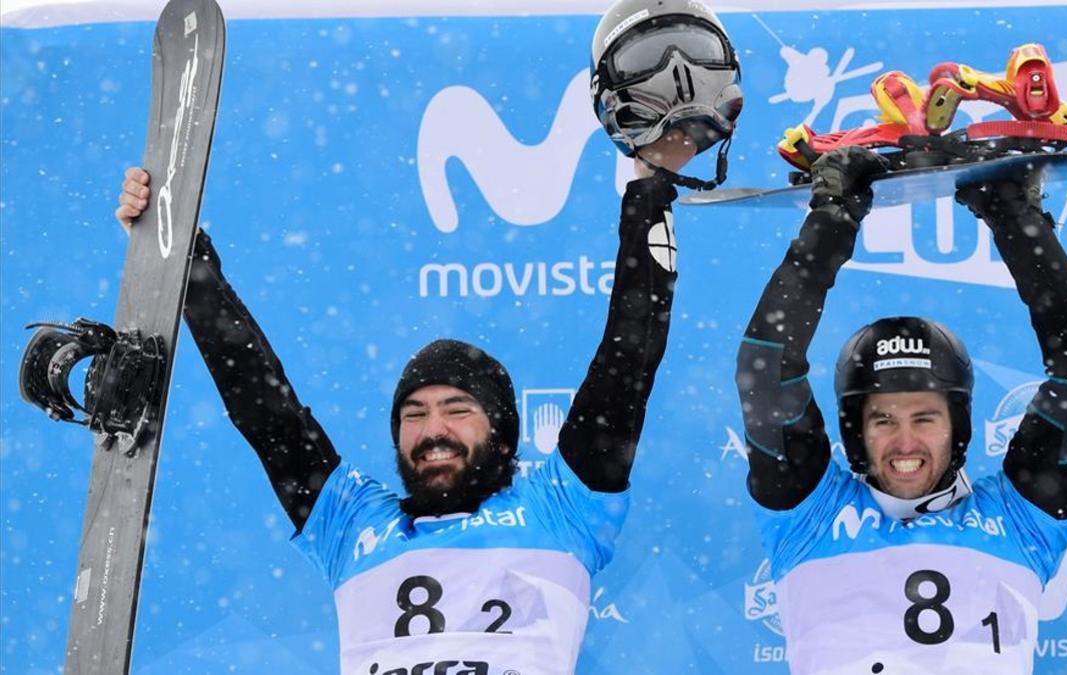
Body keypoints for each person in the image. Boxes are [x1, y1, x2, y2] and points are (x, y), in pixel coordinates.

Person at [115, 1, 740, 671]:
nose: (432, 428)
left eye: (456, 409)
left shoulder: (564, 505)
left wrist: (648, 190)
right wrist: (185, 260)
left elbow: (632, 350)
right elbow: (263, 404)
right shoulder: (351, 523)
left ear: (504, 434)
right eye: (414, 414)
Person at [735, 146, 1067, 674]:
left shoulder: (1020, 523)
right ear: (856, 432)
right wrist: (833, 217)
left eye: (925, 418)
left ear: (957, 427)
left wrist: (1012, 215)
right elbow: (766, 365)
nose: (905, 442)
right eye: (883, 419)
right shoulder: (808, 518)